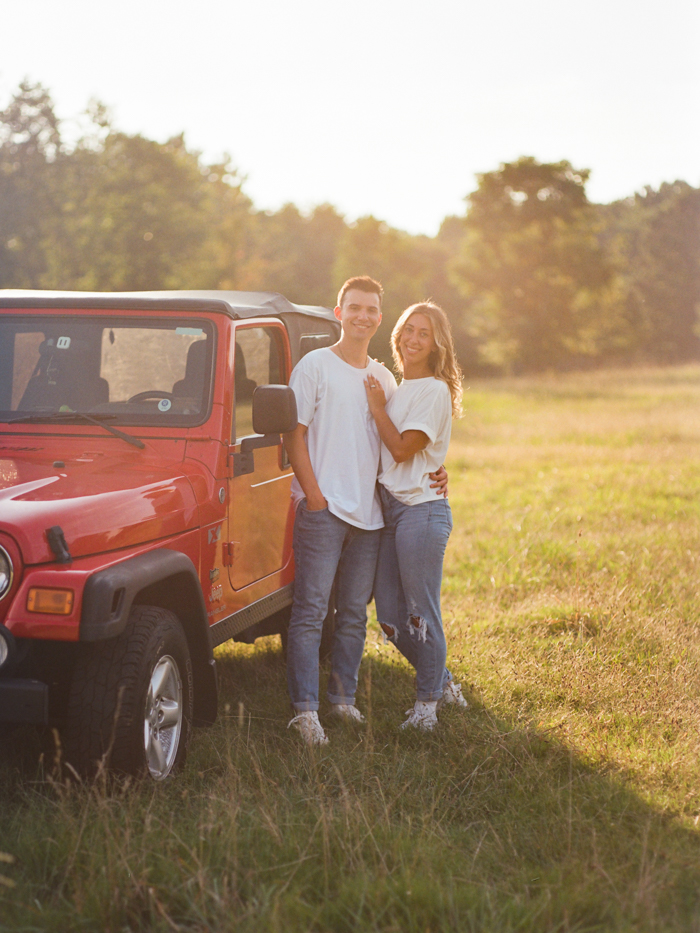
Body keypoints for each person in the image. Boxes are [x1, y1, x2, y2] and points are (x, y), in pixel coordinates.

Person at [283, 277, 447, 745]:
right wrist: (313, 495)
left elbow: (402, 443)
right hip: (324, 509)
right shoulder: (315, 366)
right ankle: (306, 711)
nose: (362, 316)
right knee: (312, 610)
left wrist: (440, 469)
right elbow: (293, 434)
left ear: (380, 317)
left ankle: (342, 701)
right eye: (354, 307)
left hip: (373, 516)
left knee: (354, 614)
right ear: (339, 312)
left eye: (371, 309)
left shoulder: (385, 377)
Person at [365, 301, 465, 731]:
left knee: (421, 612)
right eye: (408, 329)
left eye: (423, 333)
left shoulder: (434, 389)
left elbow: (404, 448)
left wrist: (376, 409)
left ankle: (427, 707)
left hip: (422, 511)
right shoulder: (400, 388)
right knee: (388, 615)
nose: (412, 338)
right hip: (391, 510)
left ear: (436, 343)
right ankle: (442, 680)